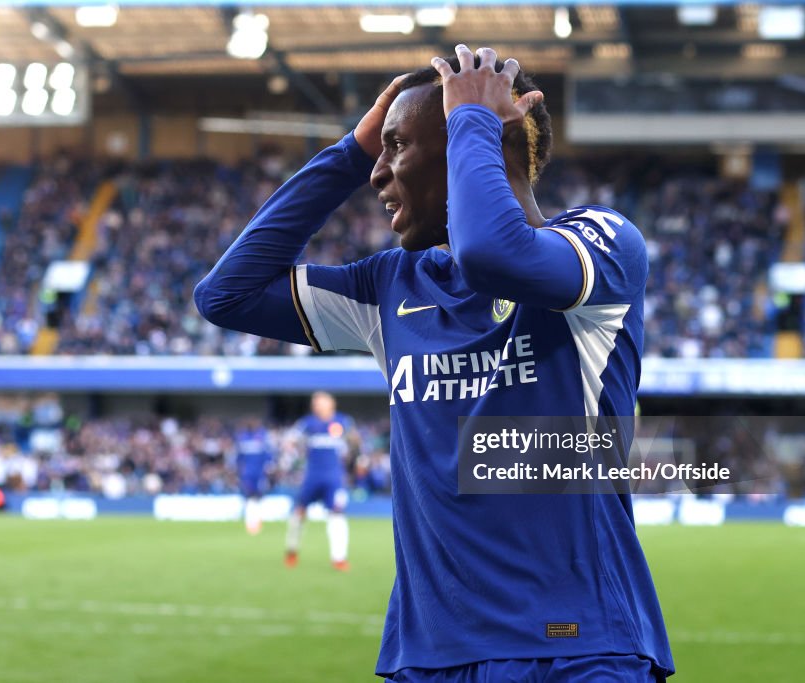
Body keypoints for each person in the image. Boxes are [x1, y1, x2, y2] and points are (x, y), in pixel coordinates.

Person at [195, 45, 674, 682]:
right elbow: (227, 295)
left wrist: (474, 121)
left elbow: (493, 256)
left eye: (396, 147)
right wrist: (349, 153)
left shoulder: (603, 245)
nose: (378, 174)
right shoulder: (390, 288)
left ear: (472, 143)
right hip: (430, 656)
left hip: (576, 647)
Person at [284, 391, 355, 571]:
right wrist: (291, 450)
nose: (316, 405)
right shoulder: (307, 423)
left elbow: (355, 441)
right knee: (300, 511)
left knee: (337, 513)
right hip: (312, 475)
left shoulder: (343, 421)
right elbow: (290, 439)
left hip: (334, 477)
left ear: (331, 403)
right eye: (315, 402)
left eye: (320, 402)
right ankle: (292, 550)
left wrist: (355, 454)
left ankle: (339, 557)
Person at [234, 417, 273, 535]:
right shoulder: (242, 438)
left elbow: (267, 454)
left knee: (258, 496)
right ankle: (250, 522)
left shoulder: (262, 437)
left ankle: (257, 520)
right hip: (247, 473)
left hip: (259, 472)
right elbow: (239, 457)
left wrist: (269, 465)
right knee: (249, 496)